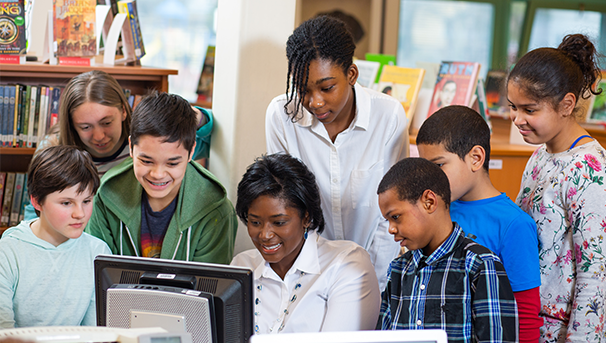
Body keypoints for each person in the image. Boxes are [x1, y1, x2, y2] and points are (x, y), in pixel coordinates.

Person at [265, 15, 408, 289]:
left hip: (376, 271)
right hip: (307, 272)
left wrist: (370, 282)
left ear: (351, 75)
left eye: (327, 87)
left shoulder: (388, 116)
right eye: (303, 89)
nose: (315, 101)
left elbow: (392, 212)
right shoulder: (281, 116)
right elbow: (287, 204)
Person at [507, 33, 606, 341]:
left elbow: (596, 274)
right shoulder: (540, 155)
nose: (517, 119)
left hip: (561, 331)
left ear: (567, 104)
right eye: (513, 107)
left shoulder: (590, 169)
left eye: (530, 109)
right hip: (529, 319)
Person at [416, 105, 541, 342]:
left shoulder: (513, 224)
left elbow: (524, 314)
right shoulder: (434, 208)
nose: (430, 178)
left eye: (439, 165)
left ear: (476, 158)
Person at [24, 70, 214, 220]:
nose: (99, 136)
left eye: (107, 123)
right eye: (85, 127)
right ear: (72, 125)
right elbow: (35, 210)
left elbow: (209, 136)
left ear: (123, 111)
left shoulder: (147, 143)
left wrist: (191, 115)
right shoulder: (53, 147)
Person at [231, 153, 380, 334]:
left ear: (306, 218)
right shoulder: (242, 266)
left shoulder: (346, 264)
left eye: (279, 223)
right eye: (255, 222)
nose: (265, 235)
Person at [376, 157, 518, 343]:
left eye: (396, 217)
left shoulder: (480, 265)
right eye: (388, 220)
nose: (391, 229)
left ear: (429, 202)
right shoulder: (398, 270)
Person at [85, 91, 236, 263]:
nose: (157, 174)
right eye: (146, 161)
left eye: (172, 164)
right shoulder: (106, 195)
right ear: (131, 148)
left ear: (191, 152)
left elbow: (210, 286)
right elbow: (97, 272)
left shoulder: (215, 210)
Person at [0, 145, 111, 328]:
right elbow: (3, 330)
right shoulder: (9, 251)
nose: (80, 214)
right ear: (36, 201)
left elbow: (94, 330)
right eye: (67, 203)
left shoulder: (98, 252)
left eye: (86, 201)